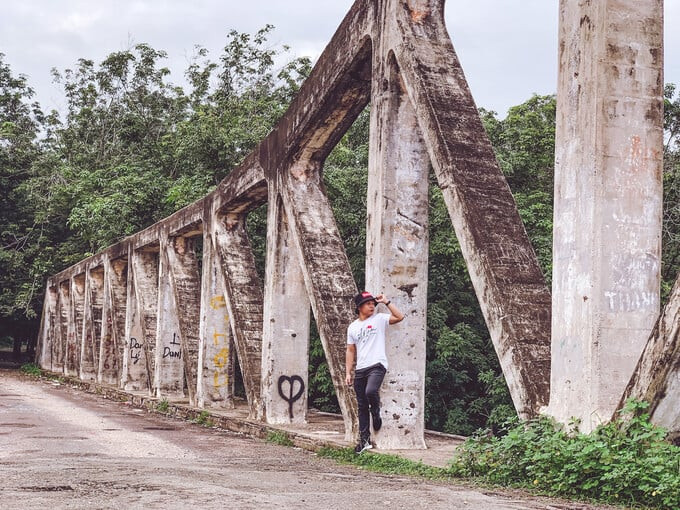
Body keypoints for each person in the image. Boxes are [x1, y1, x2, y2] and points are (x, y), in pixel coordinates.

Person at [346, 291, 404, 454]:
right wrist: (348, 372)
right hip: (360, 369)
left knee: (371, 391)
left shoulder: (379, 319)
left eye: (373, 303)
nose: (372, 305)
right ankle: (364, 440)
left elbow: (399, 317)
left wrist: (387, 302)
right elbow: (350, 350)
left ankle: (376, 412)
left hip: (377, 365)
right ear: (359, 307)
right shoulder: (353, 327)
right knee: (362, 406)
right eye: (368, 303)